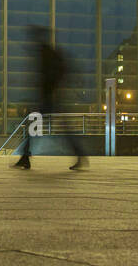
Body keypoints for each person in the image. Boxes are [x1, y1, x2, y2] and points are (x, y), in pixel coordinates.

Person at [12, 26, 88, 171]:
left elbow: (49, 76)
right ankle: (25, 158)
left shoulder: (46, 53)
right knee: (57, 129)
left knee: (34, 127)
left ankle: (25, 158)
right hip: (50, 97)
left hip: (49, 97)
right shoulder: (48, 52)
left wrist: (49, 90)